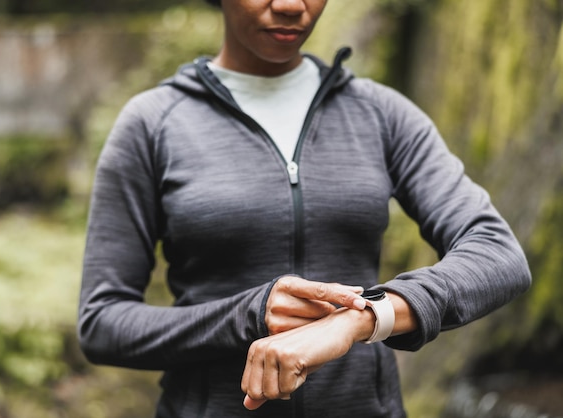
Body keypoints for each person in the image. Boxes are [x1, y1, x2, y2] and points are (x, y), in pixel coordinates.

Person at [78, 0, 532, 416]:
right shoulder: (153, 124)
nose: (292, 5)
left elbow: (497, 255)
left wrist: (365, 317)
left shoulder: (382, 115)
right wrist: (245, 316)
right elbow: (103, 322)